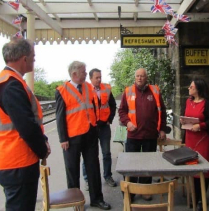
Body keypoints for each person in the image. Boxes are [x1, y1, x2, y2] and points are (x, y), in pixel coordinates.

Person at [0, 37, 51, 211]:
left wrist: (42, 140)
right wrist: (42, 148)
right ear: (24, 58)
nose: (34, 60)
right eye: (33, 56)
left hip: (13, 162)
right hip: (17, 163)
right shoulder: (11, 85)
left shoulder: (9, 81)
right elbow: (27, 126)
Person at [55, 61, 111, 210]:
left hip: (90, 133)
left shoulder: (87, 86)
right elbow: (59, 117)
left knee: (93, 167)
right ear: (74, 74)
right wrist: (63, 139)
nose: (86, 74)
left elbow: (94, 105)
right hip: (72, 137)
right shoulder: (62, 90)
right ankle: (76, 203)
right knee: (72, 171)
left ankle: (97, 199)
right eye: (84, 72)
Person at [118, 68, 167, 201]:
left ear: (146, 78)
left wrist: (162, 129)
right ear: (135, 78)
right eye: (137, 76)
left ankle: (145, 190)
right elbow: (122, 111)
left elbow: (162, 110)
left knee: (148, 164)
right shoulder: (128, 91)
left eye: (142, 76)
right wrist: (127, 122)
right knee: (131, 164)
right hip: (133, 135)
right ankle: (131, 191)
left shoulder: (155, 91)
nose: (139, 78)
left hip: (150, 135)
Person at [180, 78, 209, 211]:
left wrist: (200, 126)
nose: (189, 89)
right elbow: (184, 116)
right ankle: (193, 196)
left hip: (202, 139)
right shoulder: (188, 101)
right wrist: (183, 122)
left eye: (191, 87)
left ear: (198, 89)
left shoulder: (207, 103)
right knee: (191, 167)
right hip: (190, 138)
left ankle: (201, 199)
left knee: (202, 169)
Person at [82, 68, 117, 190]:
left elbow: (113, 105)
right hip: (90, 128)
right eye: (96, 77)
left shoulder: (106, 89)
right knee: (89, 154)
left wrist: (109, 120)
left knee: (106, 153)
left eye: (100, 77)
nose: (99, 79)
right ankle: (87, 179)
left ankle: (108, 176)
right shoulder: (85, 90)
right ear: (90, 78)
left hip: (104, 128)